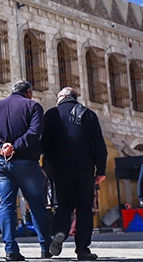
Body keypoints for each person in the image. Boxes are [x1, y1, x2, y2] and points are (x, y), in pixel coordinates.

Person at [0, 80, 52, 261]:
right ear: (28, 92)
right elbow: (34, 132)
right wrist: (15, 147)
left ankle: (10, 249)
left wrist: (1, 147)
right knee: (36, 204)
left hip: (1, 162)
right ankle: (45, 247)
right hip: (26, 162)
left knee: (6, 205)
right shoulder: (34, 107)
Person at [42, 87, 107, 261]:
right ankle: (83, 250)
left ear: (62, 97)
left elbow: (44, 144)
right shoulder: (89, 114)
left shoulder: (51, 114)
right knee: (85, 208)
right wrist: (100, 170)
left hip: (60, 168)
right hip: (84, 168)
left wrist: (50, 166)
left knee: (63, 205)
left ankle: (60, 233)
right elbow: (99, 145)